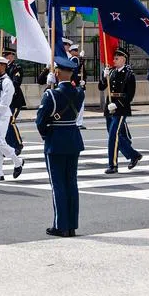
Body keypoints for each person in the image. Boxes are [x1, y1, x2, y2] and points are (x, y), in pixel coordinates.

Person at [35, 59, 85, 237]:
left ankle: (60, 225)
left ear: (56, 73)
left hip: (56, 140)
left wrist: (45, 135)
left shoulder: (51, 95)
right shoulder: (79, 93)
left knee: (58, 185)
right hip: (73, 139)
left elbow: (40, 121)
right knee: (71, 182)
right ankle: (71, 226)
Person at [97, 48, 142, 174]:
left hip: (120, 108)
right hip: (109, 107)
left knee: (113, 136)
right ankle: (133, 155)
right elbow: (101, 87)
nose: (114, 60)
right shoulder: (111, 72)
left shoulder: (129, 74)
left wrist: (116, 105)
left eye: (116, 58)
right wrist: (103, 77)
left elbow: (129, 95)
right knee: (113, 134)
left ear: (123, 59)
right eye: (114, 58)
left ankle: (113, 165)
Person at [3, 47, 26, 155]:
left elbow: (16, 83)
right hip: (5, 100)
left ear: (12, 56)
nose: (5, 58)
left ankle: (18, 144)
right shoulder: (2, 68)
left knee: (10, 122)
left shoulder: (17, 68)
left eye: (7, 56)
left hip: (15, 100)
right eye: (4, 56)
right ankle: (8, 146)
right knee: (4, 123)